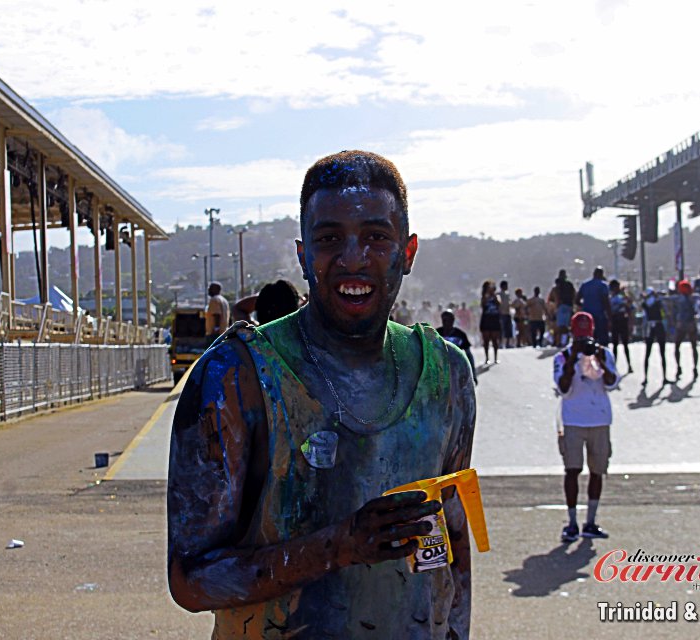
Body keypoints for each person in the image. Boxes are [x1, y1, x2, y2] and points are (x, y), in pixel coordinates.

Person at [167, 150, 477, 639]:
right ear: (302, 255)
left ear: (408, 252)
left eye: (376, 237)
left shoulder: (447, 376)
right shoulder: (237, 376)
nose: (353, 259)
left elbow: (450, 539)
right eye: (330, 238)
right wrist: (339, 547)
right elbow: (190, 579)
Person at [553, 312, 619, 543]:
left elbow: (612, 382)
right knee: (572, 470)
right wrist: (572, 361)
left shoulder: (604, 354)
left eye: (586, 335)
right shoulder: (562, 357)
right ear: (573, 333)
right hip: (573, 420)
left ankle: (590, 521)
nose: (584, 342)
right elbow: (563, 388)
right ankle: (572, 522)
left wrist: (599, 358)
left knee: (597, 471)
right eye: (580, 336)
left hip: (599, 419)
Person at [438, 309, 477, 385]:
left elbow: (468, 354)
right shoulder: (436, 333)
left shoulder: (460, 334)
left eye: (448, 320)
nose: (445, 322)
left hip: (457, 367)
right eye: (444, 320)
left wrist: (473, 374)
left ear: (453, 320)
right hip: (440, 367)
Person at [640, 287, 668, 386]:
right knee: (661, 353)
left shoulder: (646, 304)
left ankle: (646, 378)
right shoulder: (658, 302)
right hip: (657, 326)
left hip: (651, 327)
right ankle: (664, 377)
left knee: (649, 353)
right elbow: (664, 314)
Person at [576, 267, 611, 345]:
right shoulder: (603, 285)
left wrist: (584, 306)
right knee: (602, 339)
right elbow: (606, 301)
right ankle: (602, 355)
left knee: (588, 337)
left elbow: (577, 300)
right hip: (599, 315)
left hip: (587, 316)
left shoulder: (585, 285)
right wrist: (610, 316)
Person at [673, 279, 699, 381]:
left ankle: (678, 367)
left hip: (682, 324)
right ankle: (695, 367)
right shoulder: (692, 298)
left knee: (677, 346)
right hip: (691, 323)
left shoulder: (679, 299)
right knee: (694, 347)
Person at [608, 279, 632, 372]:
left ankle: (629, 365)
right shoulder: (610, 297)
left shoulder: (623, 296)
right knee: (615, 345)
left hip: (623, 320)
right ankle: (614, 365)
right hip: (615, 320)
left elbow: (629, 307)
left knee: (625, 344)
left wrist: (630, 322)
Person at [547, 269, 576, 347]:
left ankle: (559, 341)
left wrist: (553, 308)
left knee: (560, 325)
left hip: (561, 306)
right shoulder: (569, 285)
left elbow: (553, 297)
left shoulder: (558, 286)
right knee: (566, 326)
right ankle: (565, 341)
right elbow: (574, 295)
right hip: (569, 306)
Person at [480, 280, 501, 364]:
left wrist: (493, 295)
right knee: (486, 340)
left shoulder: (496, 296)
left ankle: (496, 357)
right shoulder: (484, 296)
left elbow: (499, 304)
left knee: (495, 339)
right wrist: (487, 295)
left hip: (494, 318)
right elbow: (483, 304)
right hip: (486, 319)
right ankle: (487, 358)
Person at [497, 280, 513, 349]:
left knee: (508, 329)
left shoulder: (508, 294)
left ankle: (507, 344)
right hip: (501, 314)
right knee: (501, 329)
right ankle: (500, 343)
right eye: (505, 285)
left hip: (507, 313)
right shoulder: (498, 294)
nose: (506, 287)